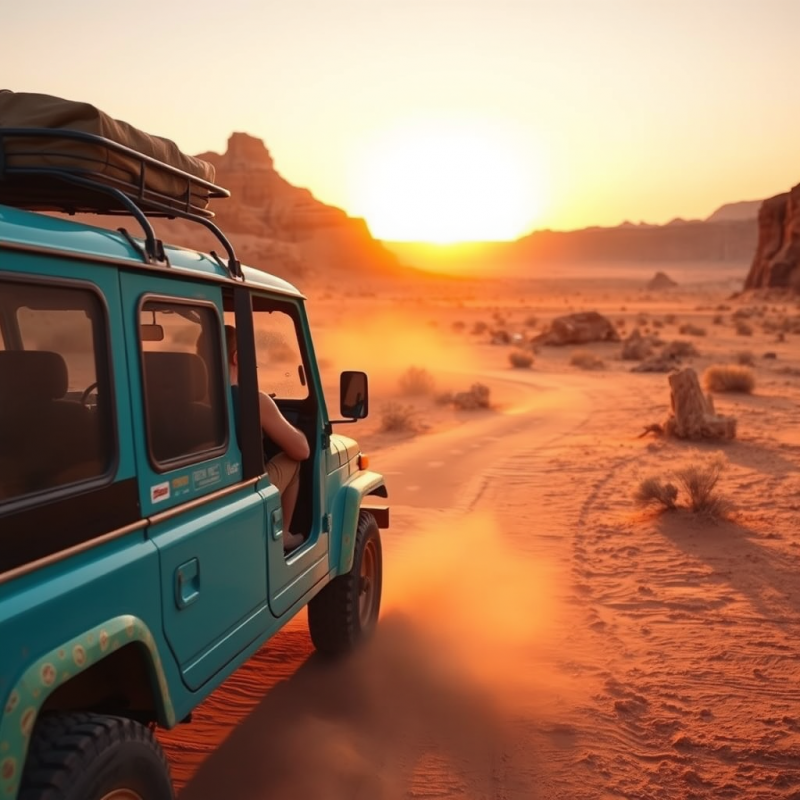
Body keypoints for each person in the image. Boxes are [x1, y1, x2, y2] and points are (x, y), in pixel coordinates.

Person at [224, 324, 310, 551]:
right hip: (247, 488)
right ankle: (284, 535)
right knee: (293, 460)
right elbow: (302, 450)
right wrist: (298, 432)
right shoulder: (254, 401)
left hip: (215, 487)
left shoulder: (188, 400)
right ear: (236, 357)